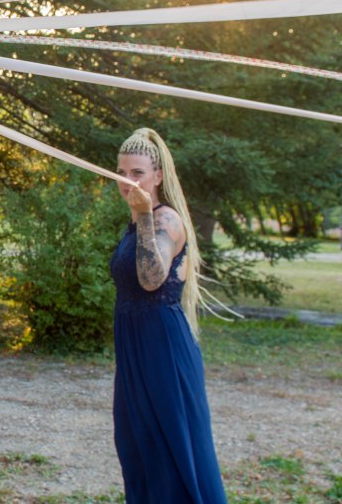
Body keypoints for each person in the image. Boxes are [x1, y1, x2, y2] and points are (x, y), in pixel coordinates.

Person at [111, 128, 227, 503]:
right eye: (122, 172)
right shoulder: (137, 222)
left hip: (163, 348)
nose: (128, 181)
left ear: (158, 176)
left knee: (170, 452)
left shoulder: (166, 221)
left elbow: (151, 278)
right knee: (137, 447)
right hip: (134, 349)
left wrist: (145, 215)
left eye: (138, 173)